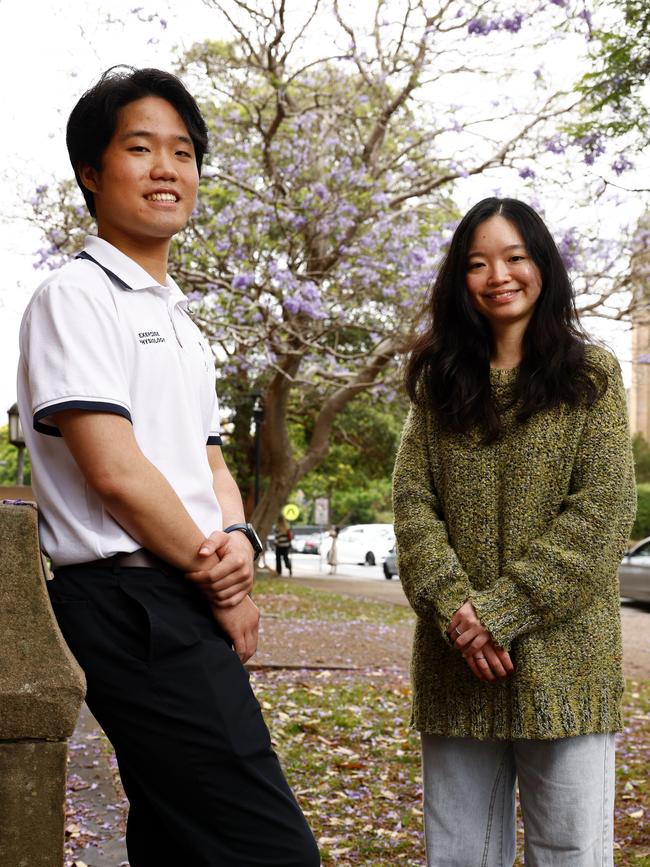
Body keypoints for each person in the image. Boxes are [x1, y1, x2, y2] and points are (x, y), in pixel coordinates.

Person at [18, 66, 319, 867]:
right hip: (130, 598)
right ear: (91, 171)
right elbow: (115, 472)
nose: (166, 169)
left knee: (179, 834)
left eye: (183, 152)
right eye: (141, 148)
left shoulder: (182, 321)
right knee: (271, 849)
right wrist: (215, 575)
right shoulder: (74, 297)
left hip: (178, 586)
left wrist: (239, 541)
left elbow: (208, 460)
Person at [392, 197, 636, 866]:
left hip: (567, 666)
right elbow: (413, 508)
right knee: (459, 852)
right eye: (477, 262)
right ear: (459, 279)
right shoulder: (438, 380)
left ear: (542, 265)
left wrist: (497, 613)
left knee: (571, 851)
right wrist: (457, 615)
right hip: (455, 665)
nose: (498, 274)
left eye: (514, 257)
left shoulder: (592, 376)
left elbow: (604, 512)